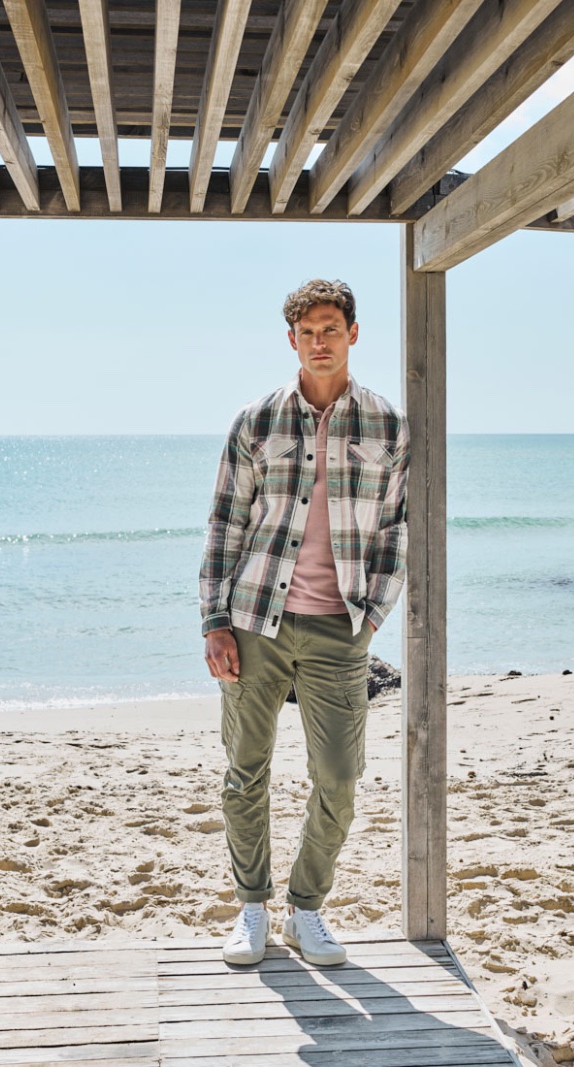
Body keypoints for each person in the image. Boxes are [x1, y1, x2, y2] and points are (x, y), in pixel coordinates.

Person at [199, 279, 409, 967]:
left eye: (331, 329)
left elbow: (396, 532)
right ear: (292, 340)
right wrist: (215, 620)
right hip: (256, 620)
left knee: (341, 777)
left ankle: (307, 907)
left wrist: (370, 616)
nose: (320, 342)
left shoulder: (388, 426)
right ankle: (252, 908)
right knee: (245, 771)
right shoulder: (254, 422)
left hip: (339, 630)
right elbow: (225, 524)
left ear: (353, 333)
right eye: (307, 332)